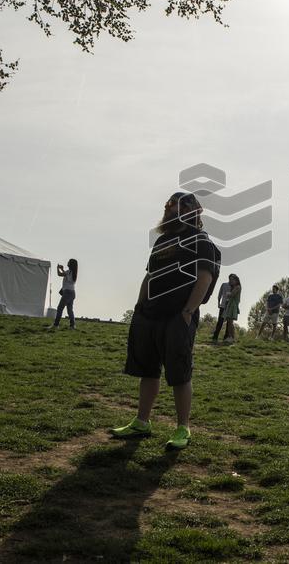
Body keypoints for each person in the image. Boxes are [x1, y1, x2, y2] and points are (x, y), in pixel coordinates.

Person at [112, 191, 220, 450]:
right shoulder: (162, 241)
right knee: (147, 370)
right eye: (170, 204)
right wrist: (139, 307)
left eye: (182, 204)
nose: (173, 209)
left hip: (177, 316)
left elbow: (204, 278)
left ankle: (183, 428)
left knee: (179, 373)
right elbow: (149, 277)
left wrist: (187, 312)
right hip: (149, 314)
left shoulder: (201, 241)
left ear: (196, 211)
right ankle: (142, 422)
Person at [50, 259, 78, 330]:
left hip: (68, 293)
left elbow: (64, 276)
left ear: (71, 264)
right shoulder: (70, 272)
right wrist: (60, 269)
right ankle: (72, 325)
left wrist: (60, 269)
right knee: (69, 310)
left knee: (60, 308)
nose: (67, 262)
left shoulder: (71, 273)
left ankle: (56, 325)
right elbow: (61, 274)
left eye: (69, 262)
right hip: (71, 293)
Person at [221, 274, 241, 343]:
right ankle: (231, 337)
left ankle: (231, 337)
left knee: (230, 322)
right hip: (230, 304)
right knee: (229, 321)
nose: (230, 281)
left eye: (232, 279)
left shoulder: (238, 287)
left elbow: (232, 294)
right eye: (230, 279)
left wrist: (227, 294)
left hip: (233, 305)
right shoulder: (233, 287)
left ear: (236, 280)